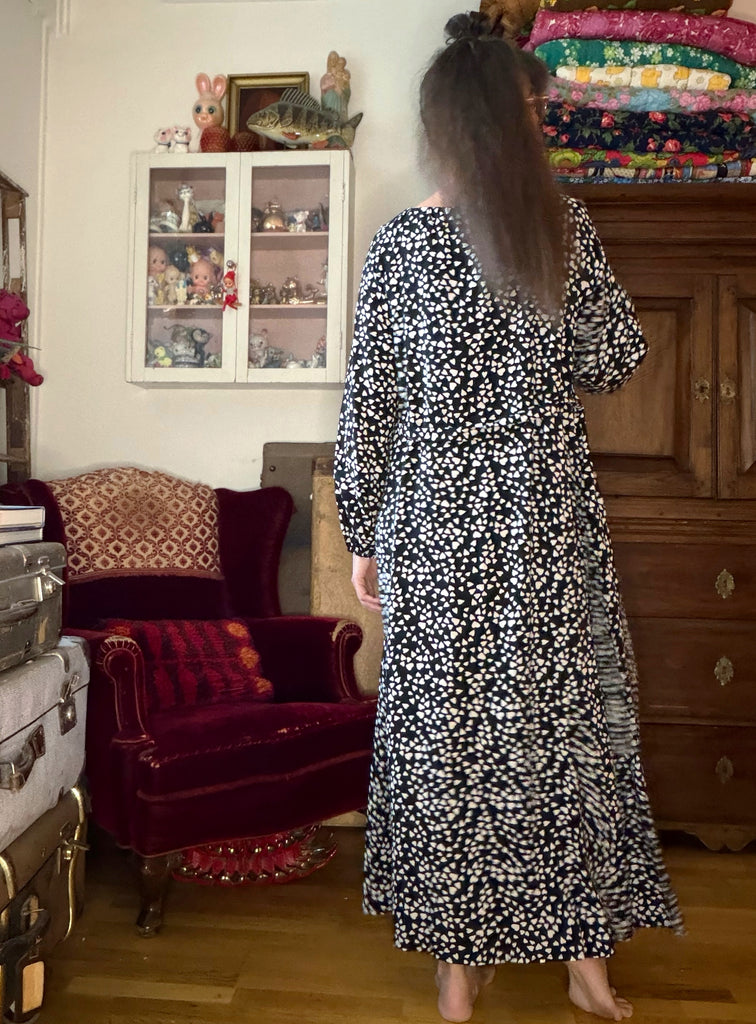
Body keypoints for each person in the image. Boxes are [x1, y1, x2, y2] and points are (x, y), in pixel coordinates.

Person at [334, 11, 683, 1024]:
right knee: (565, 732)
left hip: (435, 533)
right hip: (543, 528)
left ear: (443, 126)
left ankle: (460, 971)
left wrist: (362, 533)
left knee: (449, 739)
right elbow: (614, 359)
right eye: (533, 113)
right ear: (511, 121)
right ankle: (586, 964)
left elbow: (370, 406)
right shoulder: (558, 230)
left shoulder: (401, 248)